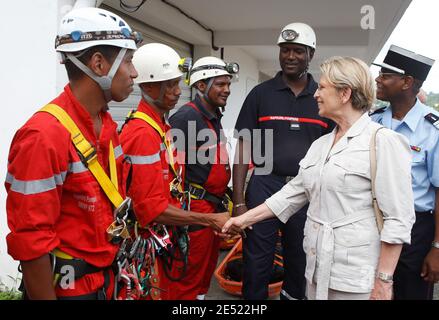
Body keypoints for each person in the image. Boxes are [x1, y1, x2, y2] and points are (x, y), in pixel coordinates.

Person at [223, 56, 416, 300]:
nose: (316, 93)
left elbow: (398, 218)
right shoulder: (321, 144)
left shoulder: (382, 142)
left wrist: (384, 281)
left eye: (323, 88)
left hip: (355, 281)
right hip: (316, 273)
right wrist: (244, 218)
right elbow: (291, 194)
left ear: (345, 93)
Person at [5, 7, 140, 299]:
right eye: (128, 61)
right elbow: (31, 241)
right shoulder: (44, 136)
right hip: (70, 291)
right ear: (99, 64)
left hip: (107, 280)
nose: (134, 72)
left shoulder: (105, 124)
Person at [118, 44, 229, 300]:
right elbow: (151, 208)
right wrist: (208, 220)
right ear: (147, 87)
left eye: (178, 83)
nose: (178, 91)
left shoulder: (161, 126)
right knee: (177, 291)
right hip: (158, 232)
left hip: (172, 226)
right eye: (170, 85)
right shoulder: (144, 133)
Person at [232, 22, 333, 300]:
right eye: (285, 50)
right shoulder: (260, 94)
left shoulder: (322, 97)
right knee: (256, 262)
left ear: (311, 54)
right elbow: (243, 148)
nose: (290, 56)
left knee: (301, 262)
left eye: (298, 51)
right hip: (264, 185)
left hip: (306, 192)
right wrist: (239, 202)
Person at [371, 45, 439, 299]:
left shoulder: (432, 129)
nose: (378, 79)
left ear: (407, 82)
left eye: (386, 75)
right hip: (375, 223)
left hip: (416, 230)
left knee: (410, 293)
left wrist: (437, 247)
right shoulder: (374, 121)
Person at [169, 56, 238, 299]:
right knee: (186, 276)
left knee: (203, 274)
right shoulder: (186, 118)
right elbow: (171, 171)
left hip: (212, 206)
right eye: (220, 84)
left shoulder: (213, 116)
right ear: (200, 86)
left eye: (228, 84)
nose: (227, 90)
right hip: (194, 208)